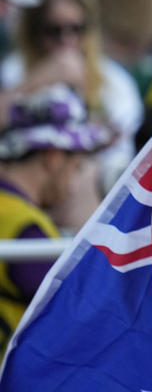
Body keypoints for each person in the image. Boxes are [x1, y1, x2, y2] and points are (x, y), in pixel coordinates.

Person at [1, 0, 144, 198]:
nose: (66, 41)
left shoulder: (116, 83)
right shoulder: (14, 70)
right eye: (54, 30)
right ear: (35, 32)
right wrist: (39, 80)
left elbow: (119, 161)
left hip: (88, 189)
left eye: (77, 29)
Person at [0, 84, 112, 355]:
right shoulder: (26, 226)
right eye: (77, 165)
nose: (74, 181)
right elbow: (78, 316)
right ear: (53, 157)